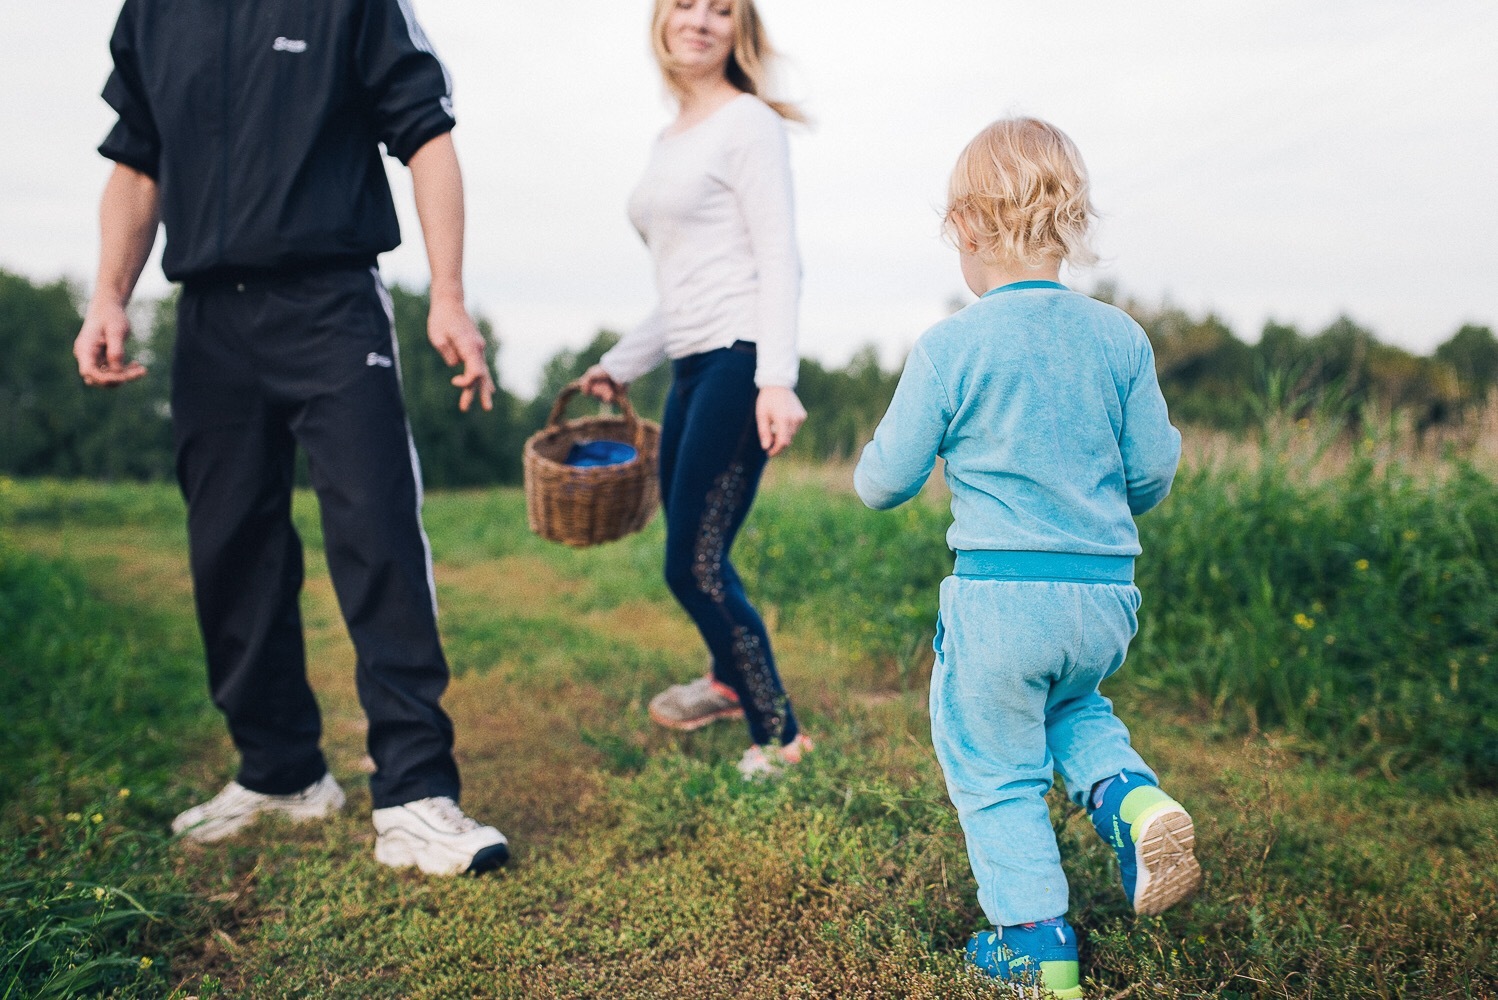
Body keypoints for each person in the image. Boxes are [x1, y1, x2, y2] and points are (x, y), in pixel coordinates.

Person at [75, 0, 509, 876]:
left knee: (377, 534)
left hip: (332, 304)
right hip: (207, 318)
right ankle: (280, 774)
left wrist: (450, 293)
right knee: (230, 547)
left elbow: (428, 137)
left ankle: (416, 791)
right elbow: (136, 159)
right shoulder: (155, 11)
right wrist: (109, 293)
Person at [853, 118, 1202, 995]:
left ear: (966, 230)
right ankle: (1131, 799)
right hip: (1102, 598)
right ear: (1068, 225)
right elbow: (1153, 474)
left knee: (993, 762)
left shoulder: (951, 348)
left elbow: (883, 481)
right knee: (1072, 706)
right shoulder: (1120, 337)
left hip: (1002, 601)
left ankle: (1034, 943)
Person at [579, 0, 812, 779]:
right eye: (687, 3)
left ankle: (781, 733)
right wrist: (621, 362)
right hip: (690, 361)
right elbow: (682, 288)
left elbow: (777, 256)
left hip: (740, 361)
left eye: (722, 10)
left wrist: (776, 378)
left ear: (737, 33)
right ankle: (724, 680)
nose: (702, 20)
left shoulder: (748, 123)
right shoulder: (668, 139)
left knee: (696, 564)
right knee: (692, 549)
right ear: (662, 19)